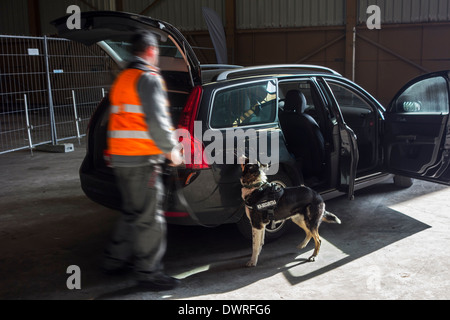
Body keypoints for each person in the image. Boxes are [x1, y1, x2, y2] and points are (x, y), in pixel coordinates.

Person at [103, 30, 181, 291]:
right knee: (150, 218)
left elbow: (118, 119)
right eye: (157, 51)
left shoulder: (123, 77)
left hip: (121, 159)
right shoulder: (147, 78)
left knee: (132, 211)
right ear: (150, 51)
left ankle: (114, 260)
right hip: (141, 159)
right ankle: (149, 273)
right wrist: (172, 151)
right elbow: (157, 122)